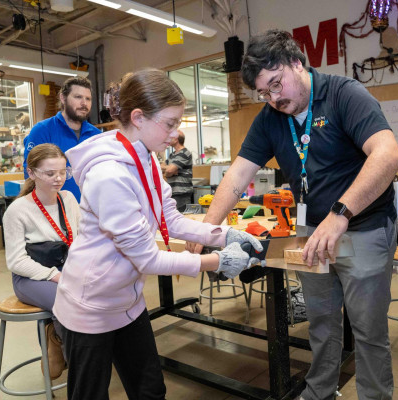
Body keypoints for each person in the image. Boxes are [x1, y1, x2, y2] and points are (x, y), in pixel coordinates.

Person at [187, 30, 398, 400]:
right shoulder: (270, 116)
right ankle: (319, 391)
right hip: (311, 230)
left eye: (276, 84)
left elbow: (387, 154)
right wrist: (209, 226)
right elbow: (239, 172)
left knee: (368, 330)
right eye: (264, 93)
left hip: (363, 226)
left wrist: (341, 213)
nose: (274, 98)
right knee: (320, 320)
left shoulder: (343, 94)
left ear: (296, 63)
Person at [53, 68, 263, 400]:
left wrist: (224, 235)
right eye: (169, 123)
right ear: (138, 117)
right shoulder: (109, 174)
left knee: (150, 390)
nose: (175, 132)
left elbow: (171, 218)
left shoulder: (146, 159)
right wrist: (217, 260)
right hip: (90, 305)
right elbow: (146, 257)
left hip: (128, 300)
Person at [3, 143, 80, 380]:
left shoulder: (68, 199)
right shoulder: (17, 211)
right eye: (50, 174)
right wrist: (54, 276)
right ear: (31, 173)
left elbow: (81, 239)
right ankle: (78, 366)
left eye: (63, 172)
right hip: (30, 277)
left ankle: (58, 337)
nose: (58, 179)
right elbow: (16, 262)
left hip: (66, 267)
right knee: (68, 301)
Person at [23, 76, 101, 202]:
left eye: (88, 99)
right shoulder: (42, 130)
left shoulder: (96, 135)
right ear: (63, 98)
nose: (84, 103)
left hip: (89, 211)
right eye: (78, 97)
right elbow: (30, 173)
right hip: (54, 210)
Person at [160, 130, 193, 212]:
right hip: (173, 192)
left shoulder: (185, 153)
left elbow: (170, 170)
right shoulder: (172, 155)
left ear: (176, 139)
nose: (169, 139)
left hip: (182, 193)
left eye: (171, 137)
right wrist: (170, 171)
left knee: (182, 218)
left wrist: (170, 170)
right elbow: (161, 167)